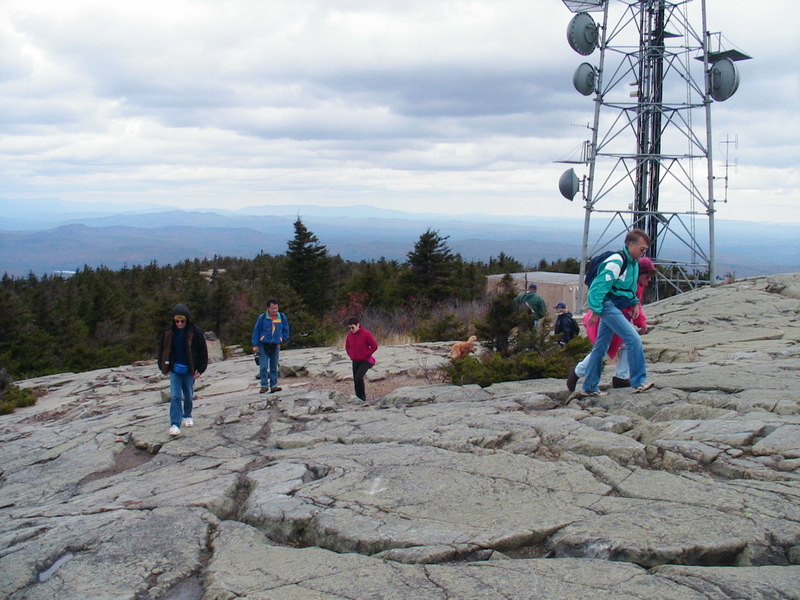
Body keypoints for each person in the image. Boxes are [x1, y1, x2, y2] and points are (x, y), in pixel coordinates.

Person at [576, 229, 654, 397]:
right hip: (607, 305)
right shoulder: (617, 261)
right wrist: (596, 310)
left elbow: (629, 287)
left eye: (645, 250)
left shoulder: (633, 263)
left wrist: (634, 303)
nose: (643, 253)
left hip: (614, 305)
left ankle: (589, 387)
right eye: (642, 249)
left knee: (601, 347)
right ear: (630, 244)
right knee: (633, 339)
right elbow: (598, 287)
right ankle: (639, 382)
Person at [158, 303, 208, 437]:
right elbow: (162, 350)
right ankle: (175, 424)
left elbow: (203, 351)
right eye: (177, 321)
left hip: (189, 369)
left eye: (182, 321)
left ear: (187, 320)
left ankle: (187, 415)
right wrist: (163, 367)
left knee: (188, 395)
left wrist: (200, 369)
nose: (179, 323)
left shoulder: (195, 332)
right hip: (175, 369)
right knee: (175, 396)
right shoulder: (169, 332)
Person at [251, 300, 290, 394]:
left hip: (275, 344)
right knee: (263, 366)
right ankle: (264, 385)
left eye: (276, 308)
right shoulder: (262, 317)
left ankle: (274, 386)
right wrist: (255, 344)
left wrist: (282, 339)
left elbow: (286, 330)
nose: (275, 310)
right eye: (273, 308)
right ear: (268, 308)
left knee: (274, 367)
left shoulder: (282, 317)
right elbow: (256, 331)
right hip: (263, 344)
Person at [345, 317, 378, 401]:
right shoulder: (350, 335)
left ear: (358, 325)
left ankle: (362, 398)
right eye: (349, 328)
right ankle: (358, 398)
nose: (351, 330)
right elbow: (347, 346)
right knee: (356, 380)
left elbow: (374, 346)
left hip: (366, 360)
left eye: (352, 327)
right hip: (355, 360)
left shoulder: (366, 334)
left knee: (359, 377)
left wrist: (366, 354)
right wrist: (350, 355)